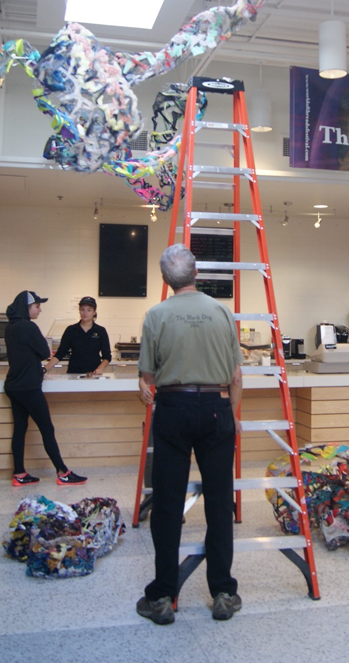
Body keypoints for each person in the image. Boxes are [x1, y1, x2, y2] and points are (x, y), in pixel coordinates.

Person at [135, 244, 244, 625]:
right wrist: (231, 417)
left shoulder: (156, 315)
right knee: (220, 502)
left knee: (167, 504)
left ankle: (162, 596)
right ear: (196, 274)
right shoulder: (222, 312)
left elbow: (148, 377)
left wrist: (143, 386)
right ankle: (223, 592)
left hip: (173, 408)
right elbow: (236, 376)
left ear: (166, 279)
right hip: (216, 407)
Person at [4, 290, 86, 487]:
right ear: (27, 307)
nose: (39, 310)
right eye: (37, 306)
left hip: (13, 385)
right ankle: (63, 472)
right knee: (47, 428)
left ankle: (19, 473)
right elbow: (44, 352)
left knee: (20, 428)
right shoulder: (29, 326)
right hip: (29, 387)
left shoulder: (10, 327)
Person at [51, 296, 112, 376]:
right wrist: (45, 369)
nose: (85, 313)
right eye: (82, 309)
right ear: (79, 311)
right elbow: (60, 354)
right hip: (73, 374)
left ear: (94, 312)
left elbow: (107, 357)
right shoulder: (71, 330)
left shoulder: (101, 331)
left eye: (89, 310)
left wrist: (100, 368)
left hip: (93, 375)